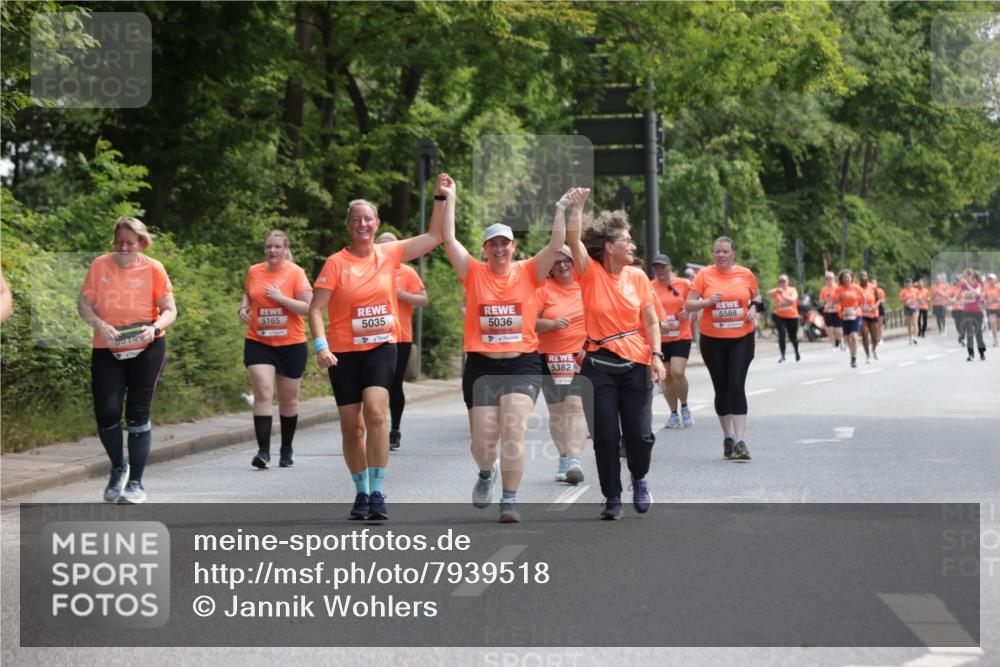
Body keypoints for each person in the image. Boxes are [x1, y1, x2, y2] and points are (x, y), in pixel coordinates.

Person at [309, 179, 445, 521]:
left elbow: (434, 237)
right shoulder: (335, 263)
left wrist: (442, 198)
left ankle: (379, 492)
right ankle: (361, 492)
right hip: (342, 352)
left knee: (376, 411)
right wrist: (321, 346)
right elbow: (315, 309)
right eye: (356, 220)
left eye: (368, 219)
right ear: (349, 226)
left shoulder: (390, 253)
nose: (363, 225)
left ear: (377, 224)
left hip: (382, 346)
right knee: (351, 427)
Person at [442, 181, 574, 524]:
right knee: (483, 444)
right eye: (493, 244)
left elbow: (556, 244)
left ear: (513, 247)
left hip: (522, 365)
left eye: (504, 243)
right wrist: (451, 199)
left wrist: (560, 209)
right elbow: (449, 241)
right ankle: (487, 473)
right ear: (485, 249)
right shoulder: (473, 272)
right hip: (481, 367)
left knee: (513, 432)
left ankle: (510, 500)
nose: (499, 249)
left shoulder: (529, 271)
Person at [567, 205, 665, 520]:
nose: (633, 246)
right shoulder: (589, 273)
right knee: (606, 436)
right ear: (610, 247)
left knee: (640, 435)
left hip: (636, 365)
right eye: (627, 240)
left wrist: (657, 354)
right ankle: (612, 497)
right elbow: (572, 239)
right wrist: (576, 209)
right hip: (598, 367)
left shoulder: (637, 277)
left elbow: (650, 321)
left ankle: (639, 477)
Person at [78, 217, 177, 504]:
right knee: (107, 411)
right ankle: (118, 467)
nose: (124, 248)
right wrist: (98, 323)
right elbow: (83, 304)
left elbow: (170, 310)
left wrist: (155, 327)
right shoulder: (99, 265)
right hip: (108, 347)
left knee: (137, 413)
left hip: (148, 347)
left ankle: (136, 483)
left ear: (142, 243)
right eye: (119, 242)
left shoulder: (153, 268)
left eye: (130, 243)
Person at [240, 231, 313, 469]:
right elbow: (249, 294)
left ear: (285, 249)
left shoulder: (295, 273)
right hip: (259, 341)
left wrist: (281, 298)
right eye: (268, 246)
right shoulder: (254, 271)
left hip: (291, 344)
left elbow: (308, 307)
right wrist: (243, 308)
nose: (272, 251)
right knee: (262, 392)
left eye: (277, 247)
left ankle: (286, 448)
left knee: (288, 399)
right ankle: (263, 451)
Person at [686, 237, 760, 461]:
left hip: (741, 338)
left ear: (733, 253)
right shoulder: (704, 275)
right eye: (717, 251)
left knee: (736, 385)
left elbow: (757, 297)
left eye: (725, 251)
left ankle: (740, 441)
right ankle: (727, 436)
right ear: (713, 254)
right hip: (712, 339)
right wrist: (706, 302)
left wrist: (755, 308)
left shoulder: (746, 274)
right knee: (722, 388)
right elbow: (689, 304)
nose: (721, 255)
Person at [535, 244, 587, 485]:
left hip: (580, 357)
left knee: (575, 407)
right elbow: (529, 323)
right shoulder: (543, 289)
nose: (563, 265)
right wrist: (552, 324)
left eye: (566, 260)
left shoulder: (585, 284)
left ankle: (574, 460)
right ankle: (564, 457)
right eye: (557, 262)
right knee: (557, 413)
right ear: (550, 268)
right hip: (550, 358)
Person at [375, 231, 428, 451]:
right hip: (372, 335)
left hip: (400, 336)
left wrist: (402, 295)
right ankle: (375, 429)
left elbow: (424, 300)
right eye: (380, 245)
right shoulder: (366, 271)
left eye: (389, 245)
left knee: (394, 385)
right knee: (374, 385)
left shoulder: (407, 272)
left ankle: (394, 430)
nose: (385, 250)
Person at [650, 254, 694, 428]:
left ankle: (684, 406)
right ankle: (674, 413)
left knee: (677, 372)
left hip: (681, 335)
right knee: (665, 376)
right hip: (660, 338)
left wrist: (686, 310)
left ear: (669, 267)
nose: (660, 270)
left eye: (663, 267)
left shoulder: (683, 283)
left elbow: (692, 301)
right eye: (656, 268)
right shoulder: (649, 286)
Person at [834, 269, 865, 368]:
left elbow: (864, 298)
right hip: (844, 314)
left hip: (855, 313)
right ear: (842, 279)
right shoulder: (839, 289)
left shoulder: (856, 288)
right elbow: (835, 302)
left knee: (854, 336)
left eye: (848, 277)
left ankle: (854, 358)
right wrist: (840, 306)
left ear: (851, 278)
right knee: (847, 338)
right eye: (844, 278)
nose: (846, 279)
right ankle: (852, 354)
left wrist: (861, 307)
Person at [767, 274, 800, 363]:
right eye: (780, 281)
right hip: (780, 316)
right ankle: (783, 355)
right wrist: (776, 290)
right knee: (781, 335)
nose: (782, 283)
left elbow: (793, 299)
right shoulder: (778, 291)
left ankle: (796, 351)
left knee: (793, 337)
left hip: (792, 316)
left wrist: (783, 295)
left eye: (784, 281)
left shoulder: (792, 290)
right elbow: (768, 293)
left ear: (788, 282)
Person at [955, 269, 986, 361]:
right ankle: (971, 354)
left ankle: (982, 353)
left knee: (978, 334)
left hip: (977, 312)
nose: (963, 278)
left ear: (970, 276)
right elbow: (957, 295)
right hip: (967, 312)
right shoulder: (962, 285)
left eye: (965, 276)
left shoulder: (977, 284)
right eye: (963, 276)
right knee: (969, 333)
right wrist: (953, 299)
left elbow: (978, 293)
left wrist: (968, 286)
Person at [858, 271, 881, 363]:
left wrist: (875, 306)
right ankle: (868, 355)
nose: (863, 277)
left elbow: (878, 300)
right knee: (864, 333)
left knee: (875, 337)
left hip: (872, 313)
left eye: (865, 276)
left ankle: (874, 349)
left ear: (868, 277)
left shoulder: (872, 287)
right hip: (862, 314)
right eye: (861, 276)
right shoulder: (857, 288)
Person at [818, 271, 843, 352]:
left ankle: (840, 340)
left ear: (834, 278)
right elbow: (821, 302)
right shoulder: (824, 289)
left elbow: (842, 299)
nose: (829, 280)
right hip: (827, 311)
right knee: (830, 329)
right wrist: (825, 299)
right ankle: (833, 346)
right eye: (827, 278)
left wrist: (835, 302)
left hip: (837, 310)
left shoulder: (838, 288)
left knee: (837, 330)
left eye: (830, 278)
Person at [899, 278, 920, 345]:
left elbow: (919, 297)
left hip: (914, 307)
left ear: (911, 283)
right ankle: (910, 337)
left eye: (910, 283)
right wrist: (906, 298)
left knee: (914, 322)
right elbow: (900, 299)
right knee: (909, 324)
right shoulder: (903, 291)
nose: (908, 284)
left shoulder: (916, 290)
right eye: (907, 283)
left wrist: (916, 300)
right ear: (905, 284)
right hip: (907, 307)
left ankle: (916, 337)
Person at [986, 273, 1000, 348]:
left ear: (995, 279)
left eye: (991, 279)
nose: (990, 280)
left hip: (999, 308)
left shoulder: (999, 287)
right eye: (989, 279)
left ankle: (996, 332)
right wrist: (986, 301)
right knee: (992, 323)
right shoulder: (986, 288)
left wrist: (997, 299)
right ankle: (995, 340)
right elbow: (984, 297)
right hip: (990, 308)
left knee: (998, 325)